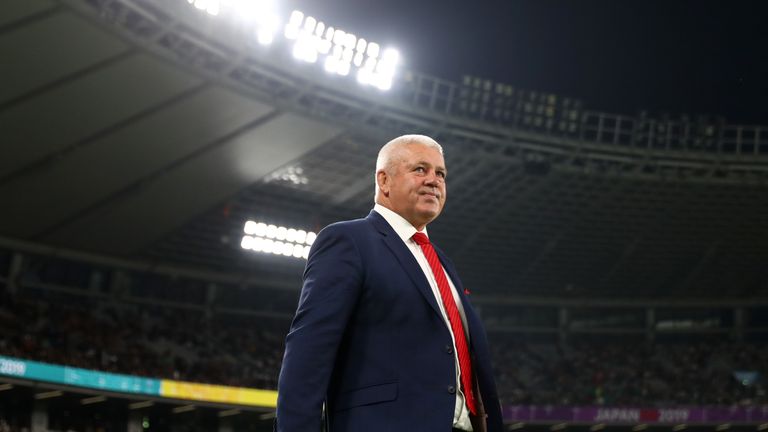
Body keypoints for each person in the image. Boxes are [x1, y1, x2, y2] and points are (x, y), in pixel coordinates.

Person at [275, 135, 503, 431]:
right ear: (384, 180)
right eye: (420, 169)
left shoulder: (441, 262)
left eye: (441, 173)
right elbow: (308, 353)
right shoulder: (349, 241)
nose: (434, 180)